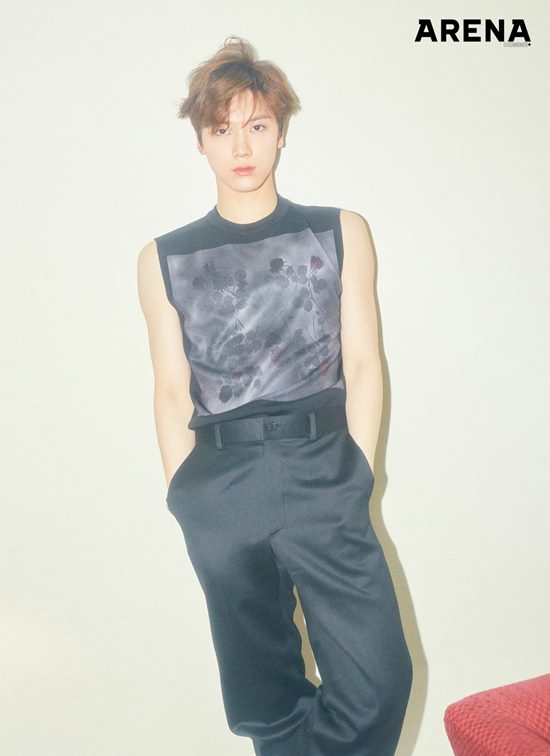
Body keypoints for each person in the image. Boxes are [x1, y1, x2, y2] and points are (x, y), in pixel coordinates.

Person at [137, 35, 413, 756]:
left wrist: (358, 471)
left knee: (381, 682)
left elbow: (364, 361)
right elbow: (170, 389)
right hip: (221, 484)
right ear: (200, 141)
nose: (241, 146)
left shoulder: (338, 230)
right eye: (221, 128)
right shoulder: (164, 256)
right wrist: (186, 497)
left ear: (281, 131)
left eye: (257, 125)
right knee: (266, 702)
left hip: (324, 467)